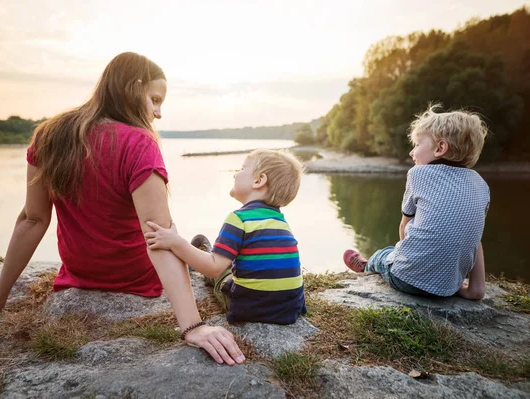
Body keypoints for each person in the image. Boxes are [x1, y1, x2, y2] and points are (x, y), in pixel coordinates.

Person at [0, 52, 245, 365]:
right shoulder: (139, 143)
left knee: (184, 243)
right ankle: (202, 256)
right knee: (180, 241)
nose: (158, 113)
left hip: (80, 271)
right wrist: (193, 326)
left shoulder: (48, 134)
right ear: (134, 88)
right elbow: (158, 238)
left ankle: (197, 252)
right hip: (135, 276)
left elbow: (32, 219)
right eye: (155, 99)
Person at [343, 105, 489, 300]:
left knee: (384, 254)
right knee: (473, 231)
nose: (412, 153)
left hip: (407, 280)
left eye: (417, 145)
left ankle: (366, 266)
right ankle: (477, 287)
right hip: (448, 285)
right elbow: (473, 237)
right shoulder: (481, 184)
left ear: (440, 148)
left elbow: (405, 224)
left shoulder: (418, 173)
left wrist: (405, 259)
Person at [145, 149, 307, 325]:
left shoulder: (239, 219)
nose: (235, 174)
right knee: (236, 261)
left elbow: (213, 268)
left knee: (221, 274)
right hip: (289, 308)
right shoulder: (281, 222)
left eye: (242, 169)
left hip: (252, 307)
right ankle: (208, 250)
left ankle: (201, 252)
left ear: (259, 180)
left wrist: (175, 242)